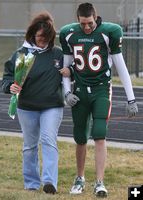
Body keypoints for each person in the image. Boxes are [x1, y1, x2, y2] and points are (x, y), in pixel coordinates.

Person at [59, 2, 138, 198]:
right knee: (80, 137)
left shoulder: (109, 32)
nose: (87, 27)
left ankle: (100, 182)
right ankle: (79, 178)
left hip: (101, 89)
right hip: (79, 90)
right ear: (78, 19)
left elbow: (121, 66)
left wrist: (131, 98)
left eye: (90, 23)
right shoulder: (69, 33)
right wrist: (67, 92)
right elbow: (66, 67)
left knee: (100, 133)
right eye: (83, 23)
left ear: (96, 18)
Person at [2, 11, 64, 194]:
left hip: (52, 106)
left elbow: (71, 75)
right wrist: (10, 87)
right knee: (29, 146)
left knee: (48, 140)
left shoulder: (58, 54)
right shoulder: (20, 55)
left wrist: (70, 73)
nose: (42, 40)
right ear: (32, 34)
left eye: (46, 37)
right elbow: (7, 78)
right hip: (26, 107)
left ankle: (49, 182)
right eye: (39, 37)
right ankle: (31, 183)